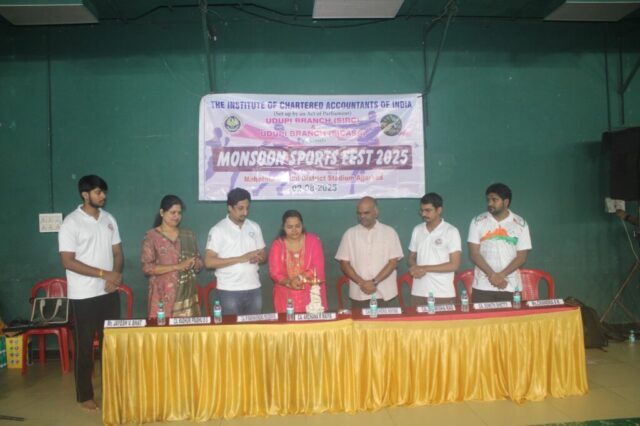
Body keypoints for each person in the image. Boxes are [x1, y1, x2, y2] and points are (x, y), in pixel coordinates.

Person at [58, 175, 123, 411]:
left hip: (109, 293)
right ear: (85, 195)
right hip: (83, 295)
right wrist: (104, 274)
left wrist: (115, 276)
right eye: (98, 192)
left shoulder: (109, 219)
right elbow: (68, 261)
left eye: (103, 192)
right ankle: (84, 395)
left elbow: (118, 253)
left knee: (111, 343)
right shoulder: (71, 223)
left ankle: (113, 389)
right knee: (84, 346)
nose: (103, 196)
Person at [204, 187, 266, 315]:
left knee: (254, 327)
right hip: (228, 290)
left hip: (254, 288)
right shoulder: (218, 230)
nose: (245, 212)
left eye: (247, 208)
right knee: (231, 328)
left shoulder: (255, 227)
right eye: (240, 208)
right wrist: (241, 258)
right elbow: (209, 262)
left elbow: (263, 254)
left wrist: (259, 257)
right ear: (230, 208)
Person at [467, 183, 532, 303]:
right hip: (482, 287)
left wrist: (501, 275)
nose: (490, 203)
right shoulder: (477, 221)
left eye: (494, 200)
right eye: (488, 200)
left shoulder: (520, 223)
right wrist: (492, 275)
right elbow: (474, 254)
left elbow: (521, 257)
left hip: (510, 286)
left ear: (506, 202)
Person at [335, 196, 403, 309]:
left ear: (376, 212)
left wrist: (374, 282)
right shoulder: (350, 234)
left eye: (366, 213)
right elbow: (344, 264)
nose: (362, 216)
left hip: (385, 294)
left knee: (385, 322)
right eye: (359, 213)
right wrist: (362, 283)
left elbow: (393, 263)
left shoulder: (389, 232)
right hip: (359, 293)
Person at [141, 195, 203, 318]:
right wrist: (177, 266)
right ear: (162, 212)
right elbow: (147, 268)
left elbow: (199, 262)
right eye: (172, 212)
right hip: (162, 296)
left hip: (186, 296)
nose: (176, 216)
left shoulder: (188, 234)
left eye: (179, 213)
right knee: (162, 329)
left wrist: (194, 263)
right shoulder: (151, 236)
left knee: (187, 330)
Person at [407, 193, 461, 305]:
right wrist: (414, 267)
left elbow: (454, 265)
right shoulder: (417, 230)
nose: (423, 214)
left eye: (428, 210)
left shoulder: (451, 231)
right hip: (418, 292)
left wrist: (423, 268)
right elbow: (411, 257)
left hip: (442, 293)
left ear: (439, 210)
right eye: (422, 210)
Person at [268, 210, 327, 313]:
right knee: (288, 323)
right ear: (283, 227)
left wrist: (299, 278)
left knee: (313, 322)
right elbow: (275, 273)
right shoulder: (278, 245)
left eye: (297, 226)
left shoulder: (313, 241)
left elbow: (317, 268)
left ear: (302, 226)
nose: (294, 230)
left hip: (310, 295)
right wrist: (289, 282)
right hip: (286, 296)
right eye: (289, 227)